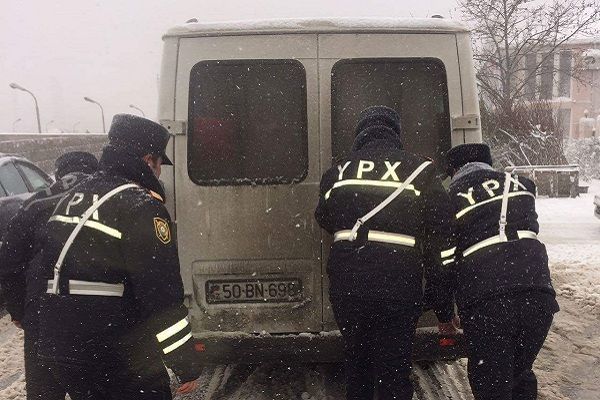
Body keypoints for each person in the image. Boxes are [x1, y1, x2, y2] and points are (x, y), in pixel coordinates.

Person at [36, 114, 202, 400]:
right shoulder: (140, 206)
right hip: (112, 348)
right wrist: (185, 364)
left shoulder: (74, 197)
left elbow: (45, 268)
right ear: (148, 159)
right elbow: (161, 295)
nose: (159, 172)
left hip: (59, 345)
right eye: (160, 163)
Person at [314, 106, 456, 400]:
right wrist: (443, 309)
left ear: (360, 136)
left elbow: (324, 217)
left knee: (358, 365)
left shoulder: (337, 171)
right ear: (395, 134)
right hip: (398, 287)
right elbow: (441, 241)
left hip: (348, 287)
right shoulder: (420, 171)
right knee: (394, 371)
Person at [445, 143, 559, 400]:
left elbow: (444, 260)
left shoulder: (451, 197)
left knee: (491, 384)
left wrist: (444, 309)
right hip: (539, 297)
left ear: (454, 170)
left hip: (489, 302)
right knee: (520, 373)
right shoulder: (520, 186)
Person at [0, 151, 98, 400]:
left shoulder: (33, 204)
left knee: (44, 393)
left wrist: (19, 311)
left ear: (58, 174)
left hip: (42, 316)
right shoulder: (106, 199)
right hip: (96, 317)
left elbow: (9, 263)